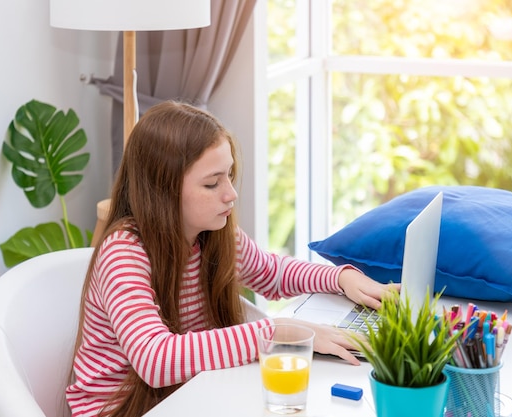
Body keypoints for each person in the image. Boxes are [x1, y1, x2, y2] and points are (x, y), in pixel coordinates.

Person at [66, 101, 399, 417]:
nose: (230, 193)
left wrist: (341, 279)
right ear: (163, 190)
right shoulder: (124, 252)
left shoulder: (211, 233)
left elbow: (272, 273)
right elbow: (155, 359)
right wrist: (277, 332)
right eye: (212, 183)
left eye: (229, 175)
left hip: (189, 395)